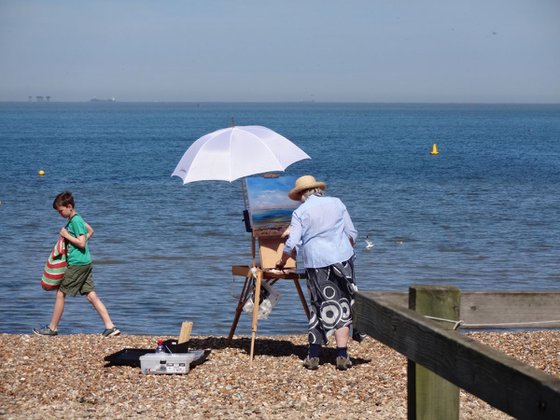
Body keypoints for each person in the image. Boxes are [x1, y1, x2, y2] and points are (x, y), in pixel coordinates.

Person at [276, 175, 360, 371]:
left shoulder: (300, 211)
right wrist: (343, 249)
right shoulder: (337, 203)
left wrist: (282, 259)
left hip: (317, 263)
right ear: (318, 190)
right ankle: (342, 355)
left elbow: (291, 243)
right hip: (343, 260)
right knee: (343, 304)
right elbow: (352, 234)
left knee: (319, 305)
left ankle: (313, 356)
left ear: (301, 195)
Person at [34, 191, 120, 337]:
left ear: (69, 206)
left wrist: (66, 235)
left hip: (78, 263)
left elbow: (80, 242)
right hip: (85, 262)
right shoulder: (78, 219)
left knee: (61, 293)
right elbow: (90, 231)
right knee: (91, 295)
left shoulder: (75, 221)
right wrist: (76, 240)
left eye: (61, 211)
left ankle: (52, 328)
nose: (60, 214)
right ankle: (110, 326)